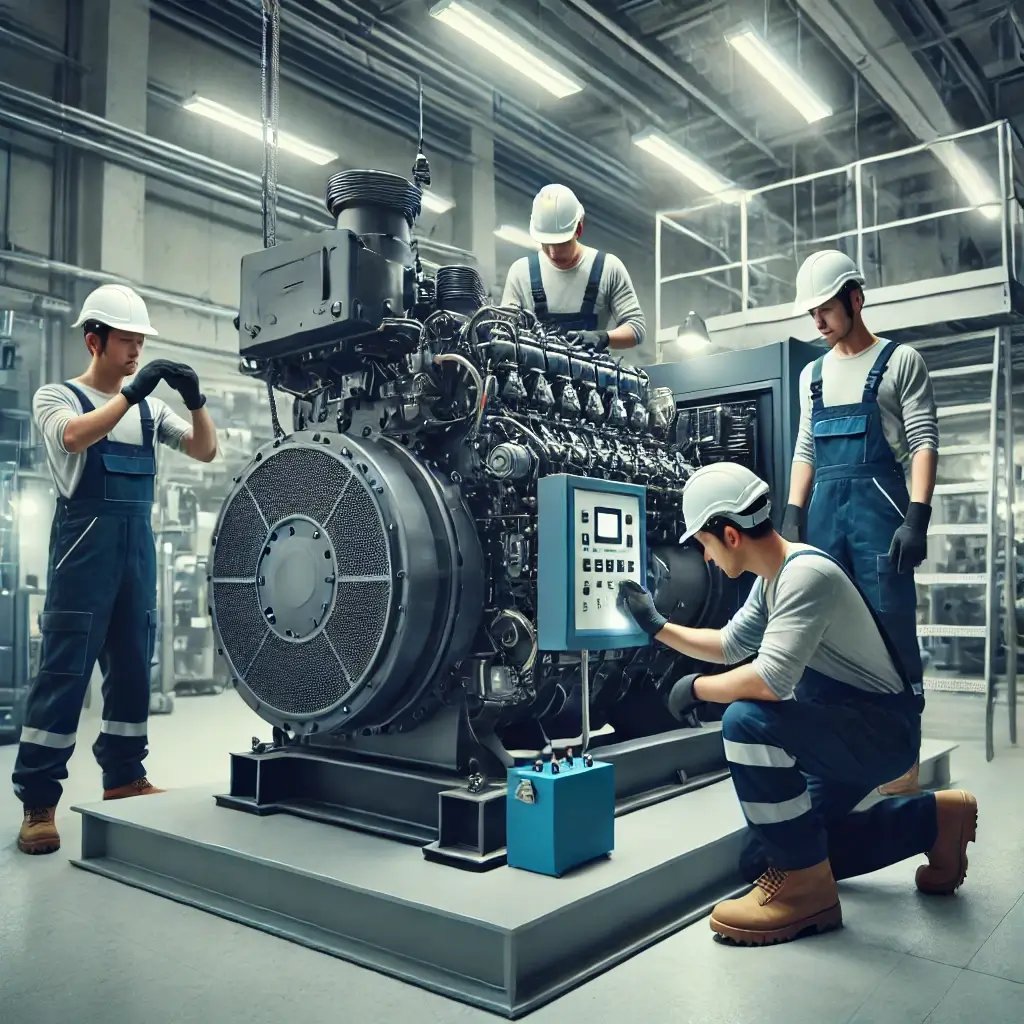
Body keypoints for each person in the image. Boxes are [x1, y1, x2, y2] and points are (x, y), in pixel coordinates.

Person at [619, 462, 977, 947]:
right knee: (764, 857)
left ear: (730, 535)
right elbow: (729, 644)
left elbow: (769, 680)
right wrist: (657, 626)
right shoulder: (773, 578)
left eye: (704, 543)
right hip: (843, 727)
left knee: (746, 720)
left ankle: (808, 892)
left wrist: (697, 689)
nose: (705, 557)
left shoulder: (805, 575)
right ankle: (932, 822)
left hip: (878, 733)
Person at [14, 284, 218, 855]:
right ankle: (38, 802)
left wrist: (196, 401)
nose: (135, 351)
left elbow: (205, 451)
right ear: (94, 341)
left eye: (140, 342)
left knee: (132, 669)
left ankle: (125, 778)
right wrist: (131, 394)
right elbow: (74, 437)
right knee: (63, 676)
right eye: (126, 340)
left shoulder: (152, 410)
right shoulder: (58, 397)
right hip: (82, 556)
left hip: (136, 557)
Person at [781, 250, 939, 795]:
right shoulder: (812, 375)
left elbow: (922, 441)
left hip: (881, 515)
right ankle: (829, 754)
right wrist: (793, 513)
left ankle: (902, 756)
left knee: (890, 627)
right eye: (812, 313)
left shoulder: (900, 361)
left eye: (826, 309)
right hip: (824, 517)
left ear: (856, 298)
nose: (819, 322)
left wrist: (917, 517)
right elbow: (806, 448)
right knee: (817, 626)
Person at [501, 183, 645, 352]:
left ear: (579, 229)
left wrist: (603, 337)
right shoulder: (520, 273)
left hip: (592, 369)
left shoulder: (608, 268)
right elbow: (505, 332)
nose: (553, 252)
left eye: (561, 243)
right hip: (534, 369)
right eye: (546, 243)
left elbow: (636, 327)